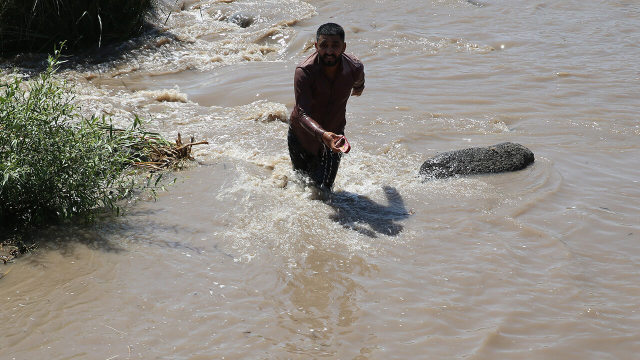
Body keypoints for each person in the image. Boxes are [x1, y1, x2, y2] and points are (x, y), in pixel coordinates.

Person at [288, 22, 365, 196]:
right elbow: (302, 113)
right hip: (301, 136)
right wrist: (323, 136)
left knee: (324, 192)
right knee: (302, 186)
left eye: (335, 46)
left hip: (335, 137)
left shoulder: (354, 68)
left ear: (344, 47)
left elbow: (359, 84)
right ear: (316, 46)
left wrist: (357, 90)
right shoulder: (304, 71)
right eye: (324, 45)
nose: (329, 51)